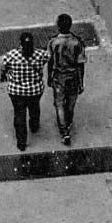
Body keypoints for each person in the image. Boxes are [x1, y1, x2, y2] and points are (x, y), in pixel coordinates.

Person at [0, 32, 51, 151]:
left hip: (16, 91)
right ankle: (34, 125)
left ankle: (21, 142)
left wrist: (3, 76)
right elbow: (49, 57)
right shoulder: (40, 55)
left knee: (19, 114)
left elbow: (4, 68)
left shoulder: (11, 55)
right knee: (34, 107)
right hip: (35, 90)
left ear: (20, 44)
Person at [47, 13, 86, 145]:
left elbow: (50, 61)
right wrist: (81, 82)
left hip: (59, 76)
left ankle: (64, 131)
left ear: (58, 26)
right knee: (70, 103)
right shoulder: (77, 42)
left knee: (59, 104)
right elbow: (81, 64)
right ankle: (68, 123)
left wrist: (49, 77)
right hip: (73, 76)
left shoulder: (53, 42)